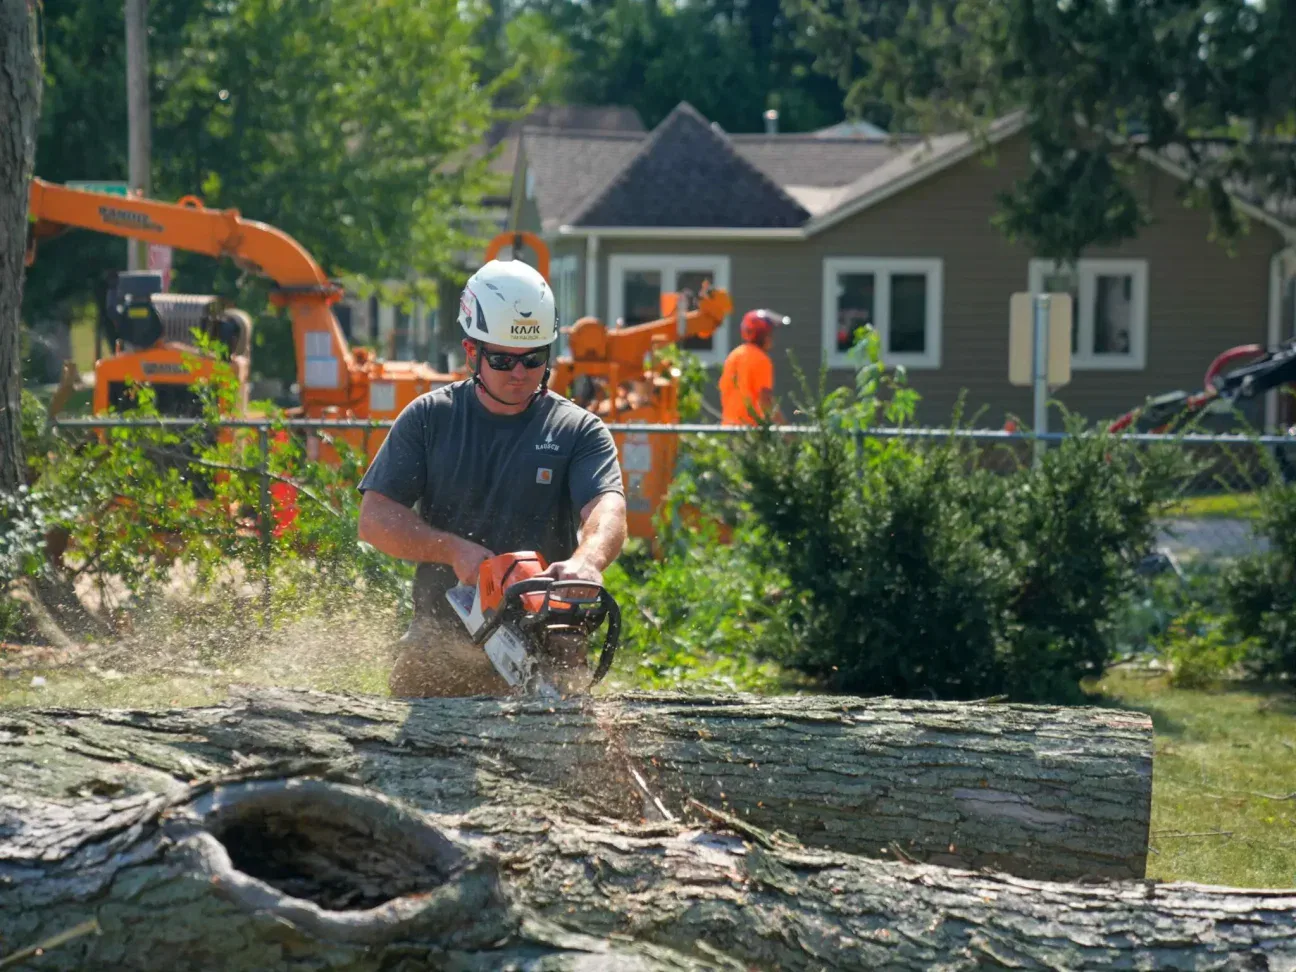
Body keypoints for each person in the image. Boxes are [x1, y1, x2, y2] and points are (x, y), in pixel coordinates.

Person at [355, 258, 628, 698]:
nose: (520, 373)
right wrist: (451, 550)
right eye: (502, 360)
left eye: (533, 359)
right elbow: (375, 518)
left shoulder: (577, 430)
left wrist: (588, 561)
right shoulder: (429, 419)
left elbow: (607, 507)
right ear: (471, 351)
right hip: (441, 634)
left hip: (548, 636)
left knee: (568, 733)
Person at [719, 308, 788, 425]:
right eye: (769, 333)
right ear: (762, 335)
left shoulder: (735, 355)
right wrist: (786, 429)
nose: (772, 338)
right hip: (750, 429)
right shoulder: (761, 359)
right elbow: (766, 401)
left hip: (728, 426)